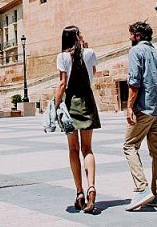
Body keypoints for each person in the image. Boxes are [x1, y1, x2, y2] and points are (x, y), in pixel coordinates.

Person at [123, 21, 157, 211]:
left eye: (131, 34)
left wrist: (129, 106)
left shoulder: (136, 52)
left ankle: (141, 189)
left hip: (143, 108)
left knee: (129, 145)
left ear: (138, 35)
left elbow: (135, 81)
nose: (130, 38)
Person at [54, 25, 101, 213]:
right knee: (87, 149)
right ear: (77, 37)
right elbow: (93, 74)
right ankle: (92, 187)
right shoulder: (90, 53)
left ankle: (79, 192)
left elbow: (62, 83)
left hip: (71, 103)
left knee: (73, 149)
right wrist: (86, 48)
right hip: (87, 102)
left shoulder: (62, 57)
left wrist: (55, 105)